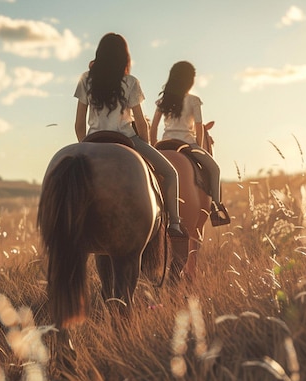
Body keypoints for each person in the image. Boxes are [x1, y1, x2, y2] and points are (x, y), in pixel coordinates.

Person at [73, 33, 185, 237]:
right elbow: (141, 122)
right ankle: (174, 224)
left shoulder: (86, 80)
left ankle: (70, 224)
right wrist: (147, 147)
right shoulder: (131, 82)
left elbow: (79, 123)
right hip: (127, 139)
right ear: (124, 57)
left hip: (93, 141)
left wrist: (84, 145)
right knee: (170, 173)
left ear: (99, 53)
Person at [150, 61, 230, 226]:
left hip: (164, 143)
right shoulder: (194, 100)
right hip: (186, 143)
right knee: (215, 169)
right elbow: (199, 128)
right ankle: (215, 207)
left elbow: (154, 126)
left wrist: (153, 145)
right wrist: (199, 149)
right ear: (190, 80)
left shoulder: (163, 100)